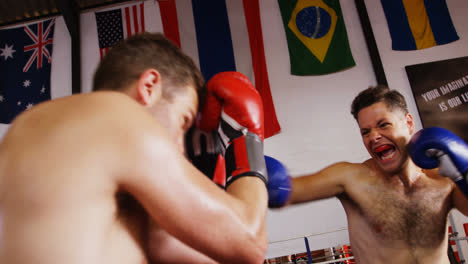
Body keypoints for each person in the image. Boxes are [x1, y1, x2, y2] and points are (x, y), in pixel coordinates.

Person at [0, 33, 270, 264]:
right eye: (183, 120)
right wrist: (244, 138)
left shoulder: (46, 133)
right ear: (149, 86)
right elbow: (249, 241)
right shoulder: (123, 115)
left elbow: (173, 247)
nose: (180, 148)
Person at [271, 85, 468, 264]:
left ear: (408, 123)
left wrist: (465, 171)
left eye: (383, 125)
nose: (373, 137)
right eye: (365, 132)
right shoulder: (351, 178)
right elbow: (284, 191)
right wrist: (252, 162)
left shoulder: (442, 178)